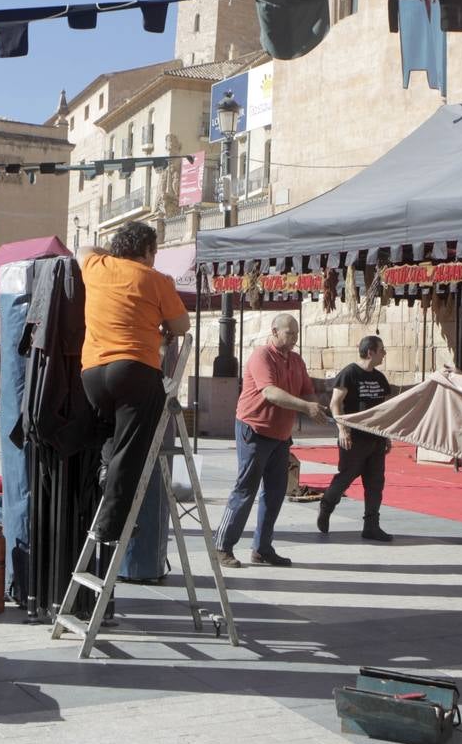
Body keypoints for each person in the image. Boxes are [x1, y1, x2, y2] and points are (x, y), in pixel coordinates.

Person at [78, 221, 190, 543]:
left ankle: (105, 468)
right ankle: (110, 526)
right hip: (134, 368)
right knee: (132, 449)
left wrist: (111, 254)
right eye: (154, 252)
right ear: (148, 251)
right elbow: (181, 326)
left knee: (113, 433)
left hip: (93, 373)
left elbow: (83, 248)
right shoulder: (155, 280)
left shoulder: (97, 265)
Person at [216, 314, 329, 568]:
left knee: (276, 492)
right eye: (290, 334)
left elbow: (306, 390)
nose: (294, 339)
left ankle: (262, 548)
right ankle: (222, 545)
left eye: (297, 334)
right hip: (254, 430)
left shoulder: (297, 361)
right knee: (245, 489)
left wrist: (316, 406)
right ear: (275, 331)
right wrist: (305, 406)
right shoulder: (261, 356)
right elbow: (270, 392)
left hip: (280, 436)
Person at [318, 335, 394, 541]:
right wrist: (342, 430)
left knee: (375, 483)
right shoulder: (349, 373)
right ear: (370, 352)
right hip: (354, 439)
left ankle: (371, 526)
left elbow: (383, 410)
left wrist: (386, 436)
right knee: (345, 478)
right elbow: (335, 403)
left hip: (375, 439)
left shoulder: (380, 378)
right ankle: (326, 506)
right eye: (382, 350)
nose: (384, 353)